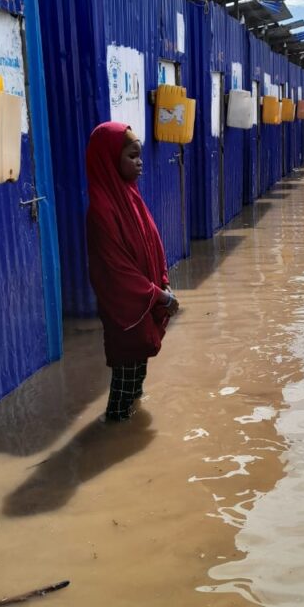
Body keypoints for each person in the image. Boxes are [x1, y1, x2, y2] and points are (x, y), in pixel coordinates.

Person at [86, 122, 179, 422]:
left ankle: (128, 428)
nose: (139, 162)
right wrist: (158, 296)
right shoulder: (102, 209)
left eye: (140, 155)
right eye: (131, 156)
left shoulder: (131, 195)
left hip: (147, 300)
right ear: (110, 158)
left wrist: (163, 284)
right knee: (122, 392)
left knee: (137, 380)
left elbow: (152, 244)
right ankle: (110, 441)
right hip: (126, 309)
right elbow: (116, 272)